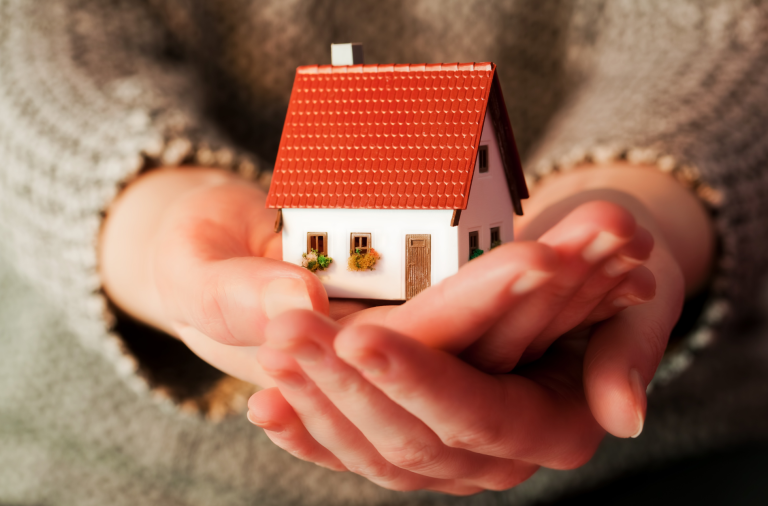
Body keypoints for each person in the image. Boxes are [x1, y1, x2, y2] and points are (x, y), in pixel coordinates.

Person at [1, 1, 767, 504]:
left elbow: (719, 33)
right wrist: (156, 222)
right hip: (99, 470)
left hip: (674, 459)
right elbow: (30, 50)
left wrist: (651, 197)